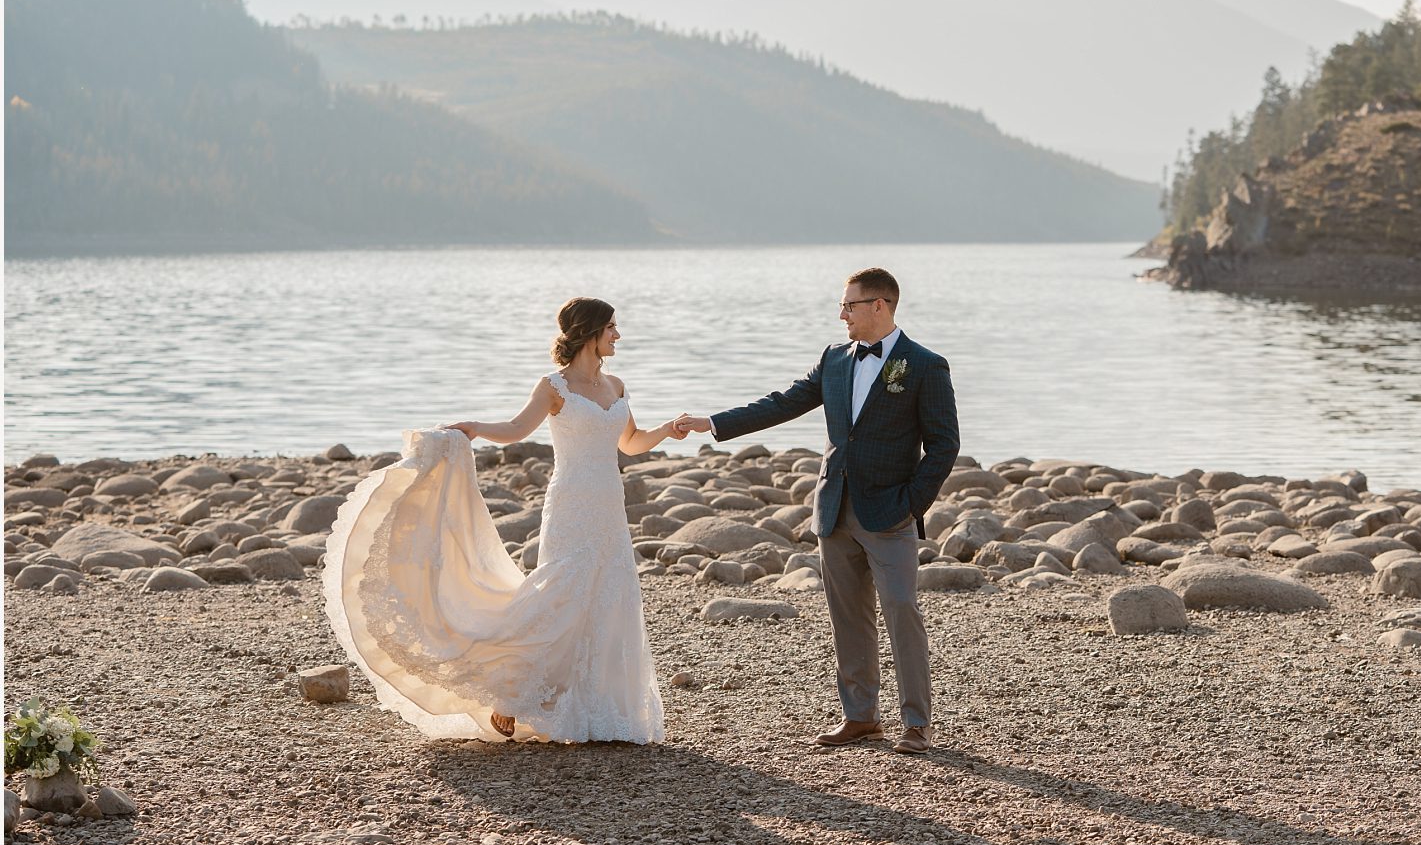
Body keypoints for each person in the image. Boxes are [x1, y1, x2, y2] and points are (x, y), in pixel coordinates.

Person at [322, 297, 681, 743]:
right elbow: (515, 430)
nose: (618, 335)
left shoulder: (617, 385)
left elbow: (629, 444)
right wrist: (473, 427)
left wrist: (667, 430)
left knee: (610, 596)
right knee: (559, 594)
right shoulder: (554, 387)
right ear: (590, 332)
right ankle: (507, 691)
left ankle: (595, 711)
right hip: (571, 502)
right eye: (611, 327)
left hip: (609, 503)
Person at [673, 267, 959, 755]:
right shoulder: (833, 359)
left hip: (889, 514)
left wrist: (910, 504)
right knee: (848, 618)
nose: (842, 313)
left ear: (880, 306)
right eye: (841, 305)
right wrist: (713, 422)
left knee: (902, 612)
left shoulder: (925, 366)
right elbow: (782, 404)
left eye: (849, 305)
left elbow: (944, 445)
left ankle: (917, 723)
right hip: (834, 510)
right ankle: (861, 718)